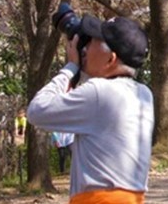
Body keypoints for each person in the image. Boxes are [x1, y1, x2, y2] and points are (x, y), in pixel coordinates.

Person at [26, 16, 154, 203]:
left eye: (92, 42)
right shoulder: (143, 94)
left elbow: (36, 111)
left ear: (111, 59)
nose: (84, 49)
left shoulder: (99, 93)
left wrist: (71, 67)